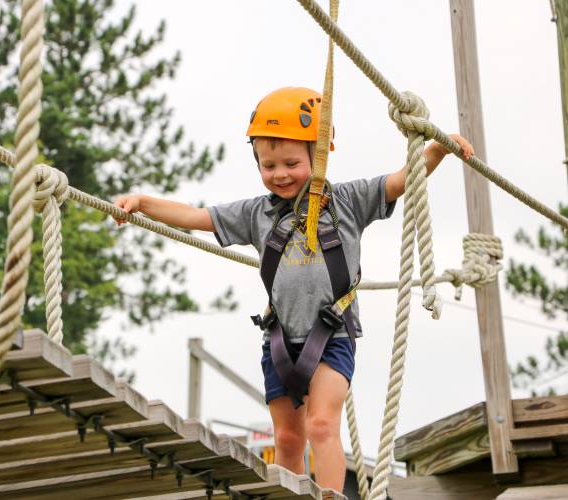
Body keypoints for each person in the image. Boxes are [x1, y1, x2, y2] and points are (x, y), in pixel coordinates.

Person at [113, 87, 474, 491]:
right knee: (287, 438)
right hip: (280, 338)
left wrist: (437, 153)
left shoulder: (348, 201)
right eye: (268, 166)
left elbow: (399, 181)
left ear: (318, 156)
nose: (280, 174)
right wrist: (143, 202)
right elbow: (197, 216)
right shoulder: (256, 214)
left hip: (331, 334)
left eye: (291, 163)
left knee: (321, 425)